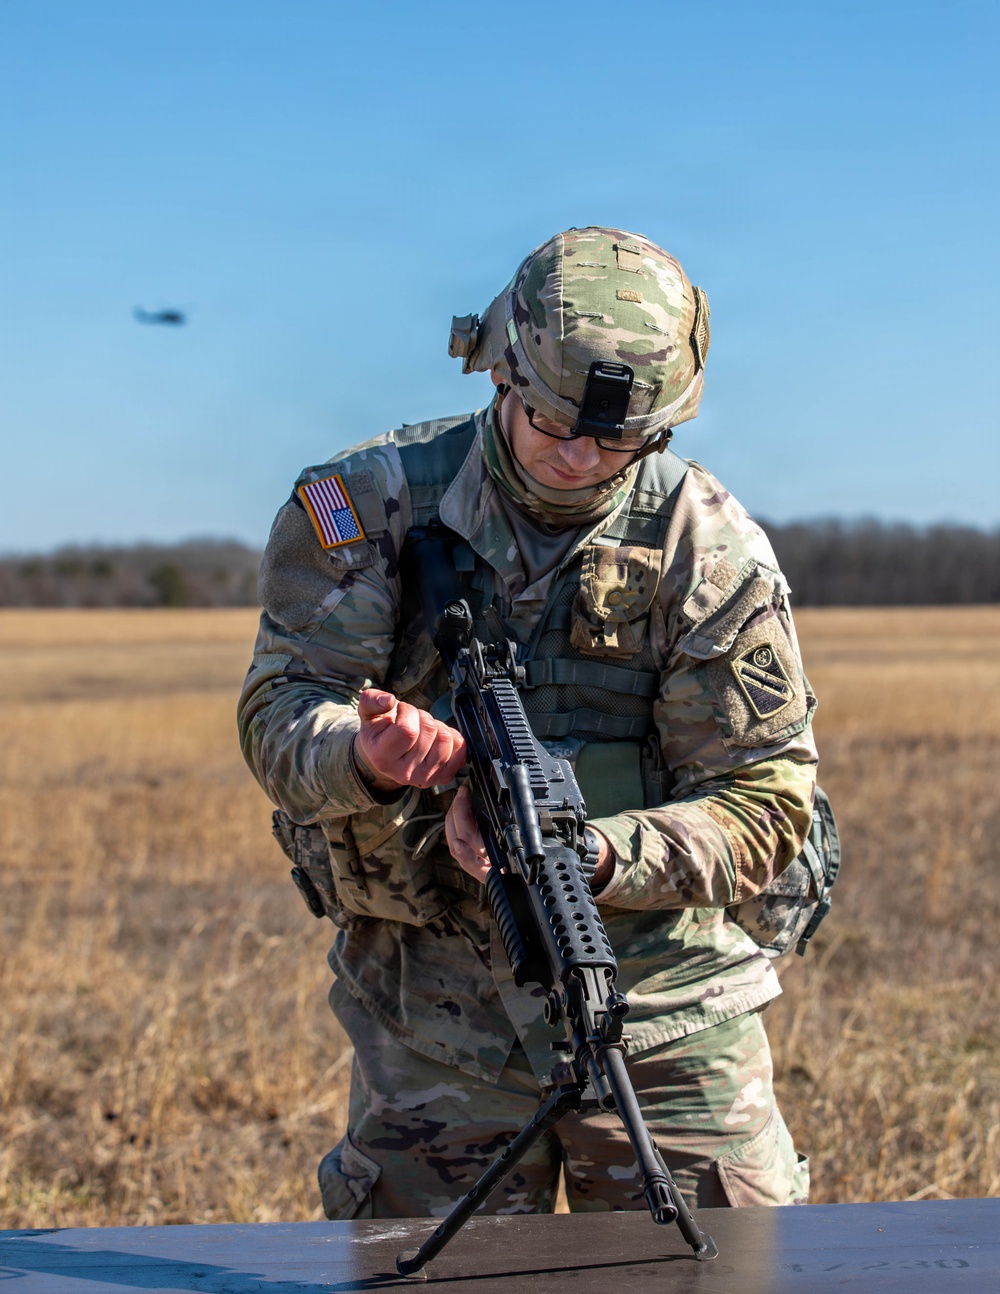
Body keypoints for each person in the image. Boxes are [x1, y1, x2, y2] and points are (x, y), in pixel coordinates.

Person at [238, 226, 818, 1219]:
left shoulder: (707, 547)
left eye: (618, 439)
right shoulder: (367, 505)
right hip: (437, 1016)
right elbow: (281, 712)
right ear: (502, 373)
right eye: (552, 421)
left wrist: (590, 853)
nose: (579, 455)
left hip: (666, 1012)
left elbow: (768, 800)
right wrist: (366, 754)